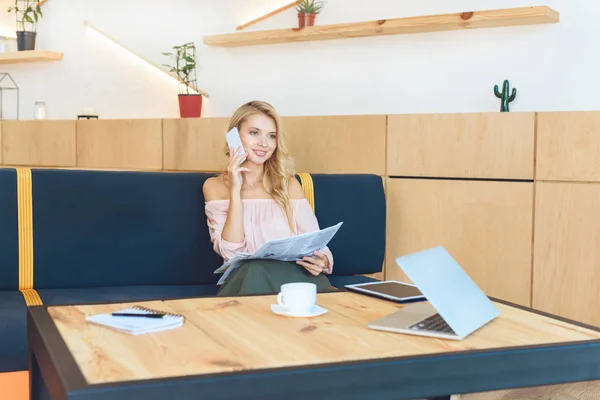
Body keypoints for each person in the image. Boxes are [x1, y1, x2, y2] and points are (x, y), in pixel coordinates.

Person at [202, 100, 335, 296]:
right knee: (254, 269)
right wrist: (236, 190)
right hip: (248, 280)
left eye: (271, 136)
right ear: (234, 137)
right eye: (254, 133)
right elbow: (230, 252)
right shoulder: (214, 186)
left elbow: (316, 243)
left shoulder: (288, 185)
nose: (264, 143)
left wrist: (322, 262)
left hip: (294, 277)